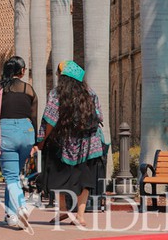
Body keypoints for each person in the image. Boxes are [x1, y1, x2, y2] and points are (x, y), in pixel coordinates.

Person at [35, 60, 108, 227]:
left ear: (63, 76)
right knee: (85, 179)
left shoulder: (56, 94)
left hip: (62, 142)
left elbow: (50, 120)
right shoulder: (90, 93)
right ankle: (80, 216)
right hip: (88, 144)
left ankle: (63, 210)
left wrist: (42, 140)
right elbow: (99, 117)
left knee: (58, 176)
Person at [0, 56, 37, 232]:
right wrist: (35, 140)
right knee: (13, 176)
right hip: (27, 133)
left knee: (11, 177)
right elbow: (34, 116)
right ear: (21, 71)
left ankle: (21, 207)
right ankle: (10, 214)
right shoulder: (29, 89)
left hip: (7, 132)